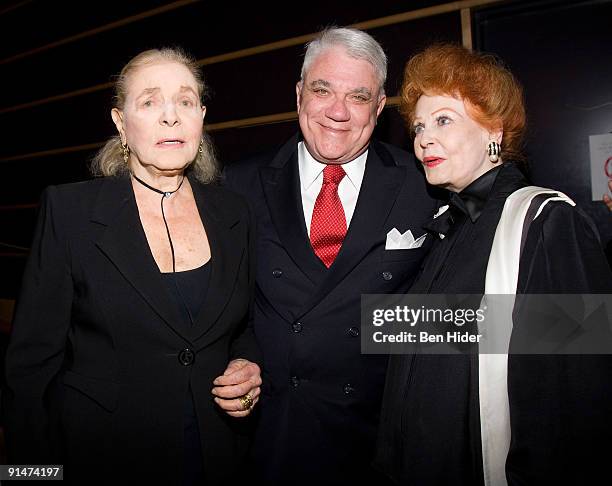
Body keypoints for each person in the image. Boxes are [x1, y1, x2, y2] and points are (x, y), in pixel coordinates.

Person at [3, 48, 261, 485]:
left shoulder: (235, 213)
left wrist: (247, 367)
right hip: (103, 458)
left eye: (184, 101)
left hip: (216, 456)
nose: (170, 117)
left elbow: (246, 327)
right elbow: (29, 373)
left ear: (201, 116)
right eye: (149, 102)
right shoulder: (70, 213)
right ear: (121, 122)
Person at [375, 44, 612, 486]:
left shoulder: (545, 222)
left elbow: (578, 401)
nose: (424, 137)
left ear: (495, 130)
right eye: (420, 125)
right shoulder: (446, 230)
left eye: (444, 119)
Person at [223, 27, 438, 485]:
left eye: (358, 97)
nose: (338, 112)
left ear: (380, 108)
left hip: (381, 441)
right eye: (322, 90)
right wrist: (239, 360)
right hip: (271, 437)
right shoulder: (237, 186)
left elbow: (460, 305)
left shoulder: (426, 186)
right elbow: (220, 309)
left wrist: (573, 325)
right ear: (300, 94)